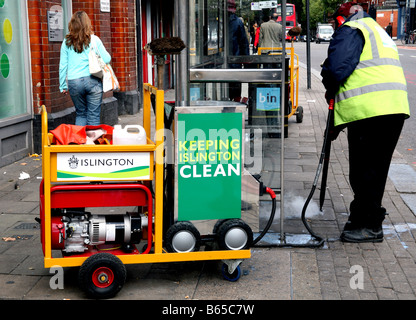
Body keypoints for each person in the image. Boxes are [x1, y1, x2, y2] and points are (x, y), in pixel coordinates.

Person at [321, 2, 410, 243]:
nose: (335, 27)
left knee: (365, 172)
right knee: (372, 170)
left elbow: (336, 70)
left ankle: (369, 225)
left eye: (334, 23)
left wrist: (328, 84)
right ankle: (364, 218)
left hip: (372, 110)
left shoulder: (352, 28)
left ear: (342, 18)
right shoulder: (376, 28)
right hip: (391, 107)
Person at [59, 11, 111, 126]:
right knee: (93, 116)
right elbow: (107, 58)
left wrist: (62, 85)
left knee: (81, 114)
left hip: (74, 82)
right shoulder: (95, 40)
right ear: (88, 24)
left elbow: (63, 65)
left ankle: (81, 142)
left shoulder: (66, 42)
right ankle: (91, 143)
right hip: (93, 80)